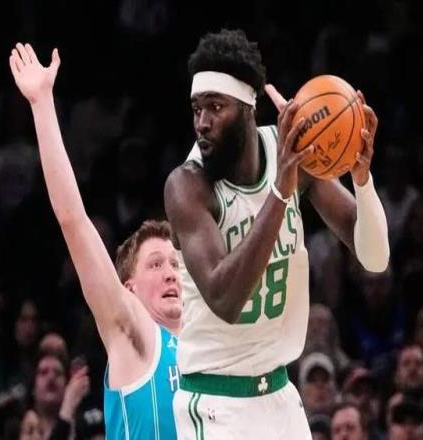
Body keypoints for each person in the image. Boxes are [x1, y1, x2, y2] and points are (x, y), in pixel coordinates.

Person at [164, 28, 389, 439]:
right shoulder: (187, 186)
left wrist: (361, 178)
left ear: (249, 108)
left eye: (216, 107)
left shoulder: (290, 156)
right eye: (197, 109)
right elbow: (225, 299)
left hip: (280, 394)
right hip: (215, 402)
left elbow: (374, 258)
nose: (202, 123)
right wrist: (281, 190)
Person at [9, 42, 182, 439]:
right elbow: (74, 221)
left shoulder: (207, 348)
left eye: (175, 263)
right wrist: (42, 104)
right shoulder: (135, 332)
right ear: (129, 288)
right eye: (156, 264)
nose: (171, 273)